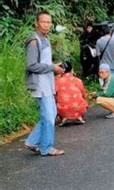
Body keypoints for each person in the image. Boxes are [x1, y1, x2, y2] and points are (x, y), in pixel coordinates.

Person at [24, 11, 65, 157]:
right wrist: (51, 67)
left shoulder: (45, 39)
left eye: (49, 22)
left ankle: (32, 141)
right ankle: (46, 147)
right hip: (40, 85)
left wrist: (55, 67)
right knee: (48, 117)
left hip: (48, 83)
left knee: (51, 114)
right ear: (37, 23)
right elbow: (32, 65)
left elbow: (45, 63)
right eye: (43, 22)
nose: (46, 25)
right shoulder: (34, 41)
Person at [55, 61, 88, 125]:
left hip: (63, 110)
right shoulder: (78, 80)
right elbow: (83, 95)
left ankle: (64, 116)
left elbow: (55, 97)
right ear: (72, 70)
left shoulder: (56, 82)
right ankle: (78, 115)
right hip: (79, 109)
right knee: (83, 100)